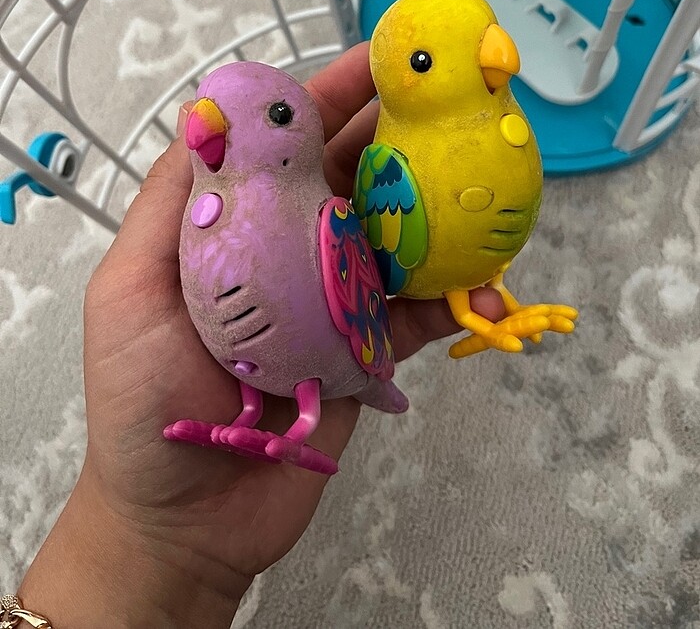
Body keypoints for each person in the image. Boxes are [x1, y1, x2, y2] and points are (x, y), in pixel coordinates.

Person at [14, 44, 504, 628]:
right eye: (210, 109)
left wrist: (369, 375)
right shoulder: (199, 208)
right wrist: (143, 528)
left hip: (340, 363)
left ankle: (302, 420)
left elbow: (355, 303)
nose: (212, 123)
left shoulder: (328, 219)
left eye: (274, 115)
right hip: (236, 384)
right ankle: (248, 410)